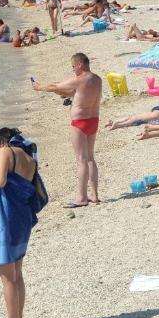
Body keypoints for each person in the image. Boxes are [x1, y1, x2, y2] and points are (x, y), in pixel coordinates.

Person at [0, 127, 46, 318]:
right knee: (17, 274)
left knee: (7, 277)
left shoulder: (5, 151)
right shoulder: (29, 157)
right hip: (22, 218)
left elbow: (1, 181)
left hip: (7, 218)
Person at [32, 53, 101, 207]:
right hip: (93, 120)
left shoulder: (80, 79)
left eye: (73, 67)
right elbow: (73, 92)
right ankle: (94, 195)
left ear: (80, 64)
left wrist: (38, 87)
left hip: (80, 122)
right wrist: (57, 90)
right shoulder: (97, 79)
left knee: (81, 159)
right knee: (90, 158)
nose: (73, 70)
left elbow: (55, 86)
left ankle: (82, 198)